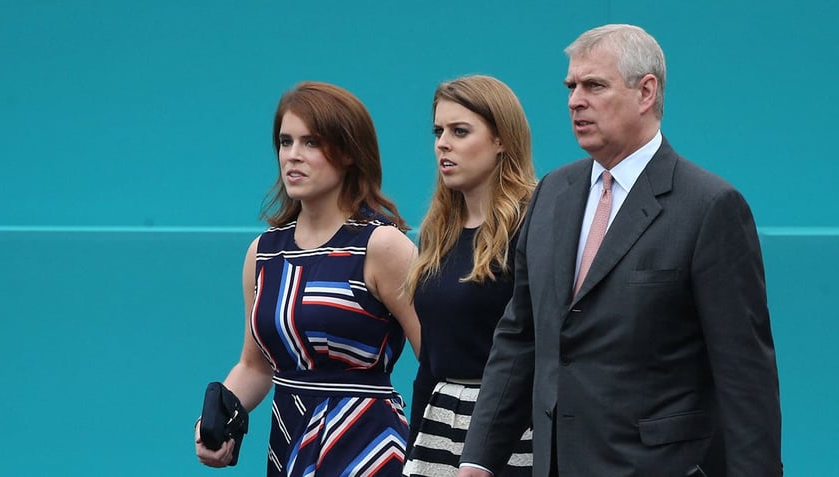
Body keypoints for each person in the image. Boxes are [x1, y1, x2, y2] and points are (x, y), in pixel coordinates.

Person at [458, 24, 782, 477]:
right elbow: (521, 337)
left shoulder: (709, 207)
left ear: (646, 92)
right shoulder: (553, 192)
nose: (575, 100)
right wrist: (478, 459)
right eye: (571, 86)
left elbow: (745, 373)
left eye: (594, 85)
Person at [194, 81, 421, 476]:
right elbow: (255, 366)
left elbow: (437, 358)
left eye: (311, 142)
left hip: (369, 448)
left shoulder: (381, 246)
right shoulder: (263, 254)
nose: (293, 156)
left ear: (349, 152)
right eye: (285, 142)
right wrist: (217, 419)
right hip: (289, 445)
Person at [402, 75, 537, 477]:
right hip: (438, 423)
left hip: (512, 428)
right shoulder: (437, 231)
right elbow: (430, 358)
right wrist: (413, 449)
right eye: (438, 131)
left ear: (501, 140)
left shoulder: (535, 222)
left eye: (460, 131)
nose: (443, 143)